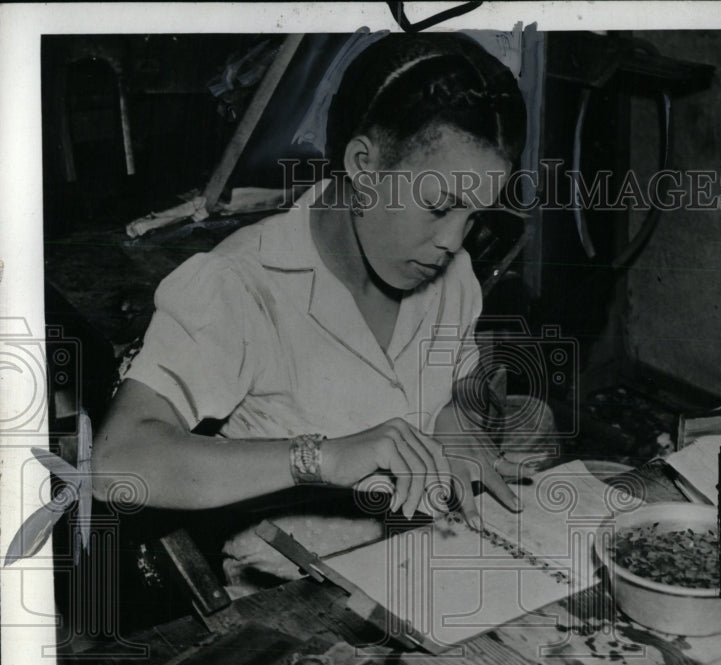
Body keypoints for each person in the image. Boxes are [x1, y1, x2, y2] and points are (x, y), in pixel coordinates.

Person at [92, 33, 536, 591]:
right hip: (289, 598)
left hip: (416, 568)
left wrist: (455, 429)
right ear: (363, 166)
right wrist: (320, 459)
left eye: (474, 216)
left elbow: (449, 389)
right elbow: (116, 463)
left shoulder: (451, 275)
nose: (453, 241)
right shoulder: (243, 283)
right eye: (440, 206)